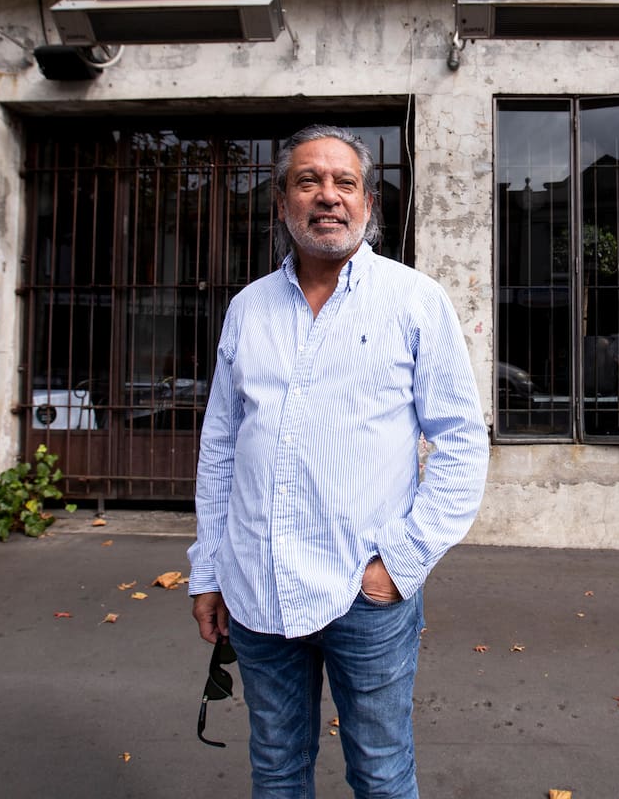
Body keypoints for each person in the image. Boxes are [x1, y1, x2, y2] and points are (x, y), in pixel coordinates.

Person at [188, 124, 489, 798]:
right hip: (258, 591)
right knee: (276, 771)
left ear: (368, 204)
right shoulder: (248, 311)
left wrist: (400, 565)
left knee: (381, 776)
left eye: (344, 182)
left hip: (365, 594)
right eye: (308, 180)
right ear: (281, 202)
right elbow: (221, 449)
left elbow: (462, 442)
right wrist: (209, 568)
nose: (328, 196)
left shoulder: (414, 301)